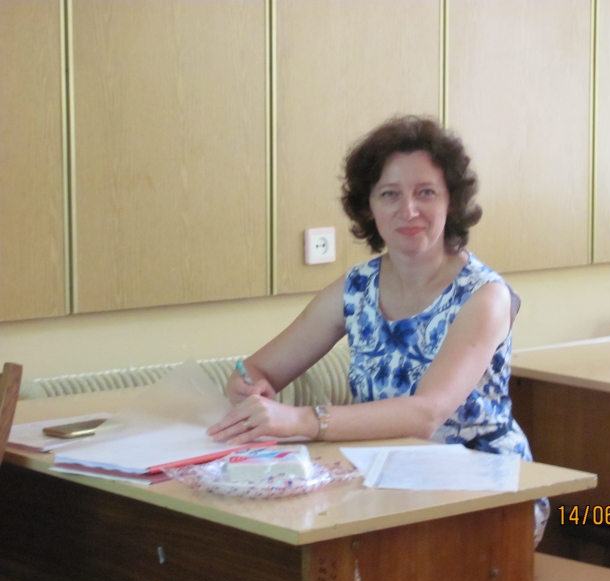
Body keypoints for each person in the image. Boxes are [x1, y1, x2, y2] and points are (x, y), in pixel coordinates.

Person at [207, 115, 549, 543]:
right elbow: (258, 369)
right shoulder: (356, 287)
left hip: (486, 492)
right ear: (369, 206)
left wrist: (298, 419)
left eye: (426, 192)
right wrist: (246, 386)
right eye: (390, 194)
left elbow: (426, 414)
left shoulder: (484, 295)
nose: (408, 210)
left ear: (451, 201)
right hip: (386, 481)